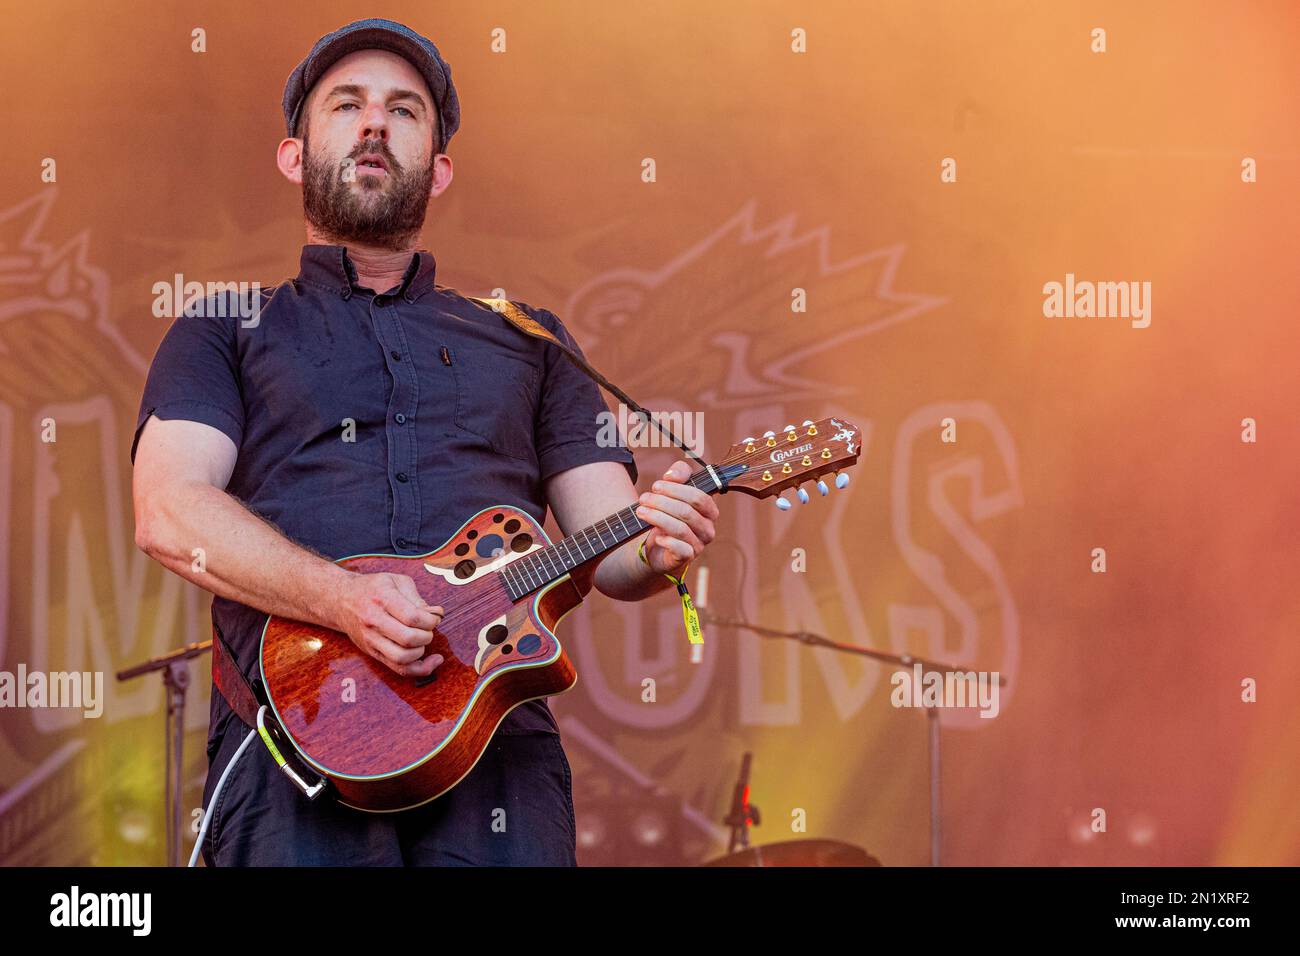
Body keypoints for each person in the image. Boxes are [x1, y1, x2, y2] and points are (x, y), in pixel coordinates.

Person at [131, 18, 719, 866]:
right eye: (348, 106)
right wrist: (339, 600)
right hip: (293, 752)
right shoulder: (224, 328)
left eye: (404, 112)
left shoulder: (532, 340)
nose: (375, 124)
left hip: (496, 761)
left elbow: (613, 550)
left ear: (438, 170)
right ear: (294, 155)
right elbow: (169, 510)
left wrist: (663, 544)